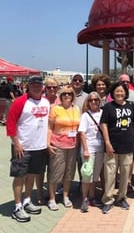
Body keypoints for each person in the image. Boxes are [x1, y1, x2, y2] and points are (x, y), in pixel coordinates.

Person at [6, 76, 50, 222]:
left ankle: (27, 201)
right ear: (28, 87)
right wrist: (16, 143)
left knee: (31, 175)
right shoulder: (20, 102)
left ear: (42, 87)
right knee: (20, 176)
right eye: (33, 85)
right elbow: (10, 123)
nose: (36, 87)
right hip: (23, 147)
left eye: (39, 85)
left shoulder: (46, 101)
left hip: (39, 146)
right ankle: (17, 207)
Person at [100, 82, 134, 214]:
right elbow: (103, 125)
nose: (119, 94)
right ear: (113, 93)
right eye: (117, 91)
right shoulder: (108, 107)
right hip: (112, 147)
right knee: (110, 175)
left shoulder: (131, 106)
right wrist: (107, 143)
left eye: (122, 91)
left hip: (127, 146)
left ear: (125, 93)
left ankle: (122, 197)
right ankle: (108, 199)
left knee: (125, 175)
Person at [47, 85, 81, 211]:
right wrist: (48, 143)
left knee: (69, 173)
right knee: (56, 172)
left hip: (72, 145)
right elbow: (50, 127)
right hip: (58, 144)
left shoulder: (76, 108)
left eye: (69, 94)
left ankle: (65, 196)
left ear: (73, 96)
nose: (67, 96)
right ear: (60, 96)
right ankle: (52, 198)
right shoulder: (55, 109)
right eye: (64, 94)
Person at [78, 92, 104, 212]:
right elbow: (82, 133)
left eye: (96, 100)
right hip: (89, 147)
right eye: (91, 100)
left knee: (95, 175)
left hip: (100, 147)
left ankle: (92, 197)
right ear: (88, 102)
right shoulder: (85, 115)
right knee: (87, 174)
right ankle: (84, 198)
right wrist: (86, 149)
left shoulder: (103, 113)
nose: (94, 102)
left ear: (99, 101)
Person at [35, 77, 60, 205]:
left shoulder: (60, 101)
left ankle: (52, 194)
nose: (52, 89)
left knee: (53, 169)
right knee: (40, 169)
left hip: (55, 140)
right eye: (49, 87)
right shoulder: (40, 101)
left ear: (58, 88)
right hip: (39, 139)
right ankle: (39, 193)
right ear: (45, 88)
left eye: (54, 87)